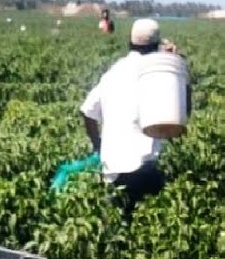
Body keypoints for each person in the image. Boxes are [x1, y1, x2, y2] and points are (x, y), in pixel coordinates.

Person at [80, 18, 189, 218]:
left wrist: (98, 146)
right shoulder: (158, 74)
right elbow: (182, 115)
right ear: (156, 46)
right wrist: (176, 65)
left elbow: (87, 112)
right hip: (144, 170)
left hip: (112, 172)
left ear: (130, 43)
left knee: (119, 222)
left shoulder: (113, 72)